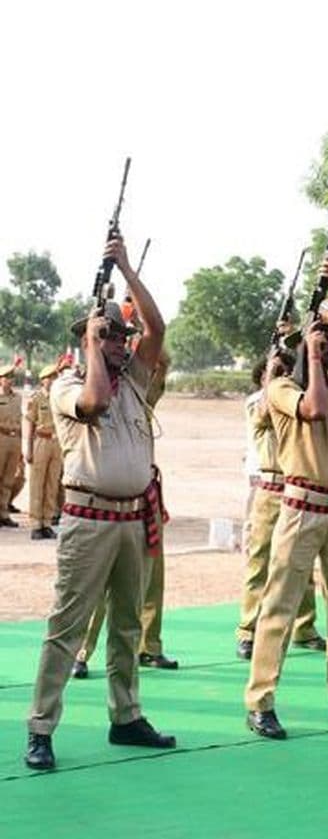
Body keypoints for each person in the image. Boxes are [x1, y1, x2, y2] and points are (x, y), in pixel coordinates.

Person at [25, 236, 175, 771]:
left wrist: (128, 268)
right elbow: (94, 401)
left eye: (119, 335)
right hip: (88, 522)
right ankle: (41, 726)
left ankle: (126, 716)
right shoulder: (67, 383)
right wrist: (91, 345)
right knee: (67, 629)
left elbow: (157, 330)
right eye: (109, 335)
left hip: (133, 518)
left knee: (128, 625)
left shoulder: (134, 380)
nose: (120, 343)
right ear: (87, 339)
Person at [245, 252, 328, 740]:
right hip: (301, 510)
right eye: (322, 341)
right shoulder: (282, 387)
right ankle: (260, 701)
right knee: (279, 607)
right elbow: (316, 408)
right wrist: (309, 352)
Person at [74, 351, 180, 675]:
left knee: (151, 579)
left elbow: (161, 358)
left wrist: (137, 338)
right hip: (111, 501)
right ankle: (81, 652)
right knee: (104, 585)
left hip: (145, 497)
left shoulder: (139, 393)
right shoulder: (94, 396)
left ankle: (149, 646)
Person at [235, 354, 323, 661]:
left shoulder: (293, 400)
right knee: (259, 561)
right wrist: (272, 376)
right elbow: (262, 413)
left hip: (296, 488)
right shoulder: (256, 402)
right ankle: (248, 629)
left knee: (301, 562)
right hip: (269, 489)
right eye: (275, 373)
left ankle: (304, 626)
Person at [24, 364, 63, 539]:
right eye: (50, 378)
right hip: (41, 441)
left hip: (57, 443)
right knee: (37, 483)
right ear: (43, 380)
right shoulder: (36, 399)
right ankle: (35, 523)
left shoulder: (59, 398)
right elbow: (30, 423)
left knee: (52, 483)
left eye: (55, 377)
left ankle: (47, 522)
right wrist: (29, 449)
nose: (53, 381)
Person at [0, 362, 22, 527]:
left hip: (14, 440)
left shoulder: (18, 398)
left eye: (12, 377)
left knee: (8, 479)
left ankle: (3, 513)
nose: (10, 380)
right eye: (7, 377)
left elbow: (21, 420)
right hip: (1, 438)